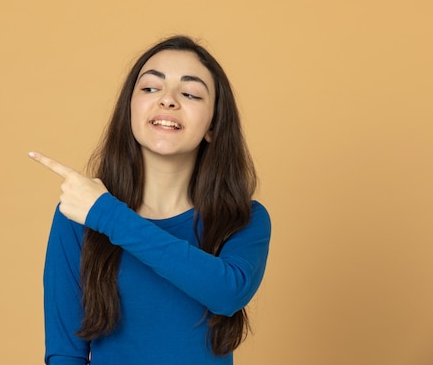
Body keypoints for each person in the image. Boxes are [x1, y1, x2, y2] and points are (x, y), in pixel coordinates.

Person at [29, 35, 271, 365]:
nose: (168, 101)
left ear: (213, 125)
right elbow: (64, 353)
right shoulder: (78, 215)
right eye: (150, 88)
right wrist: (99, 213)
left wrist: (108, 216)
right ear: (129, 110)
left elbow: (227, 292)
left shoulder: (244, 219)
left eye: (190, 93)